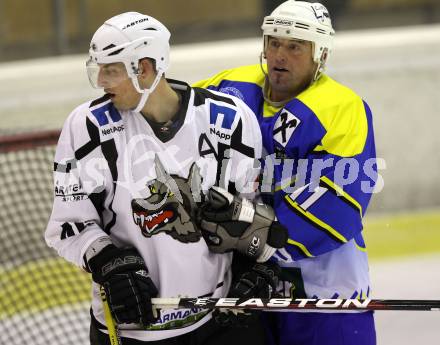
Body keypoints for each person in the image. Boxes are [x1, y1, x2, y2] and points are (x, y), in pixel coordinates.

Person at [45, 12, 286, 345]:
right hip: (132, 327)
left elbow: (250, 211)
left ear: (144, 68)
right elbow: (68, 224)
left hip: (218, 321)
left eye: (111, 70)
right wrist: (110, 263)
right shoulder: (87, 127)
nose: (101, 80)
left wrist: (259, 264)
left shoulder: (229, 119)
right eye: (97, 69)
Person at [194, 1, 378, 344]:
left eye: (295, 46)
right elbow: (177, 117)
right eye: (274, 42)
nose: (280, 54)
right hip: (247, 284)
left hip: (324, 291)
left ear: (320, 54)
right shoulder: (231, 86)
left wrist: (266, 252)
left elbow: (340, 204)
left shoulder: (341, 108)